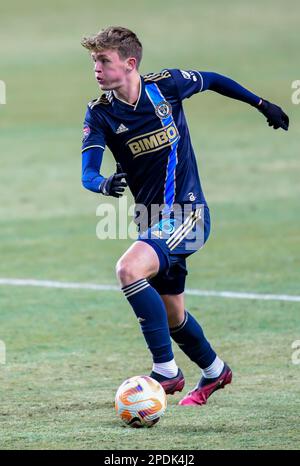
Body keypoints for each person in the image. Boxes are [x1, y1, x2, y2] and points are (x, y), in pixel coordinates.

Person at [80, 26, 289, 406]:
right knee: (172, 316)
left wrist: (262, 104)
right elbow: (87, 172)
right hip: (152, 223)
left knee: (128, 270)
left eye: (103, 60)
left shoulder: (167, 86)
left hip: (189, 216)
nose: (96, 68)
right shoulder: (100, 113)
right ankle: (214, 371)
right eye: (94, 60)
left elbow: (212, 80)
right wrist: (103, 183)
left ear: (130, 64)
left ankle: (166, 372)